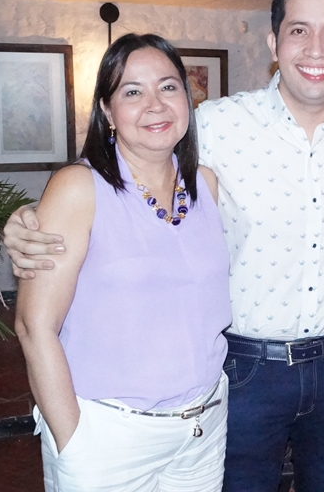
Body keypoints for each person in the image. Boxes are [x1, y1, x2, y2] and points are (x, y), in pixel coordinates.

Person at [4, 0, 324, 492]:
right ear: (274, 42)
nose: (315, 48)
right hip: (244, 368)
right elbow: (114, 174)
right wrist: (24, 222)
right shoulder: (211, 125)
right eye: (298, 30)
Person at [14, 33, 232, 492]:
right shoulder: (78, 188)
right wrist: (72, 440)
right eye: (132, 92)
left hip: (202, 428)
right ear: (108, 112)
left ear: (188, 101)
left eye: (169, 87)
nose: (155, 104)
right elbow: (35, 326)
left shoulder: (206, 185)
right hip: (107, 438)